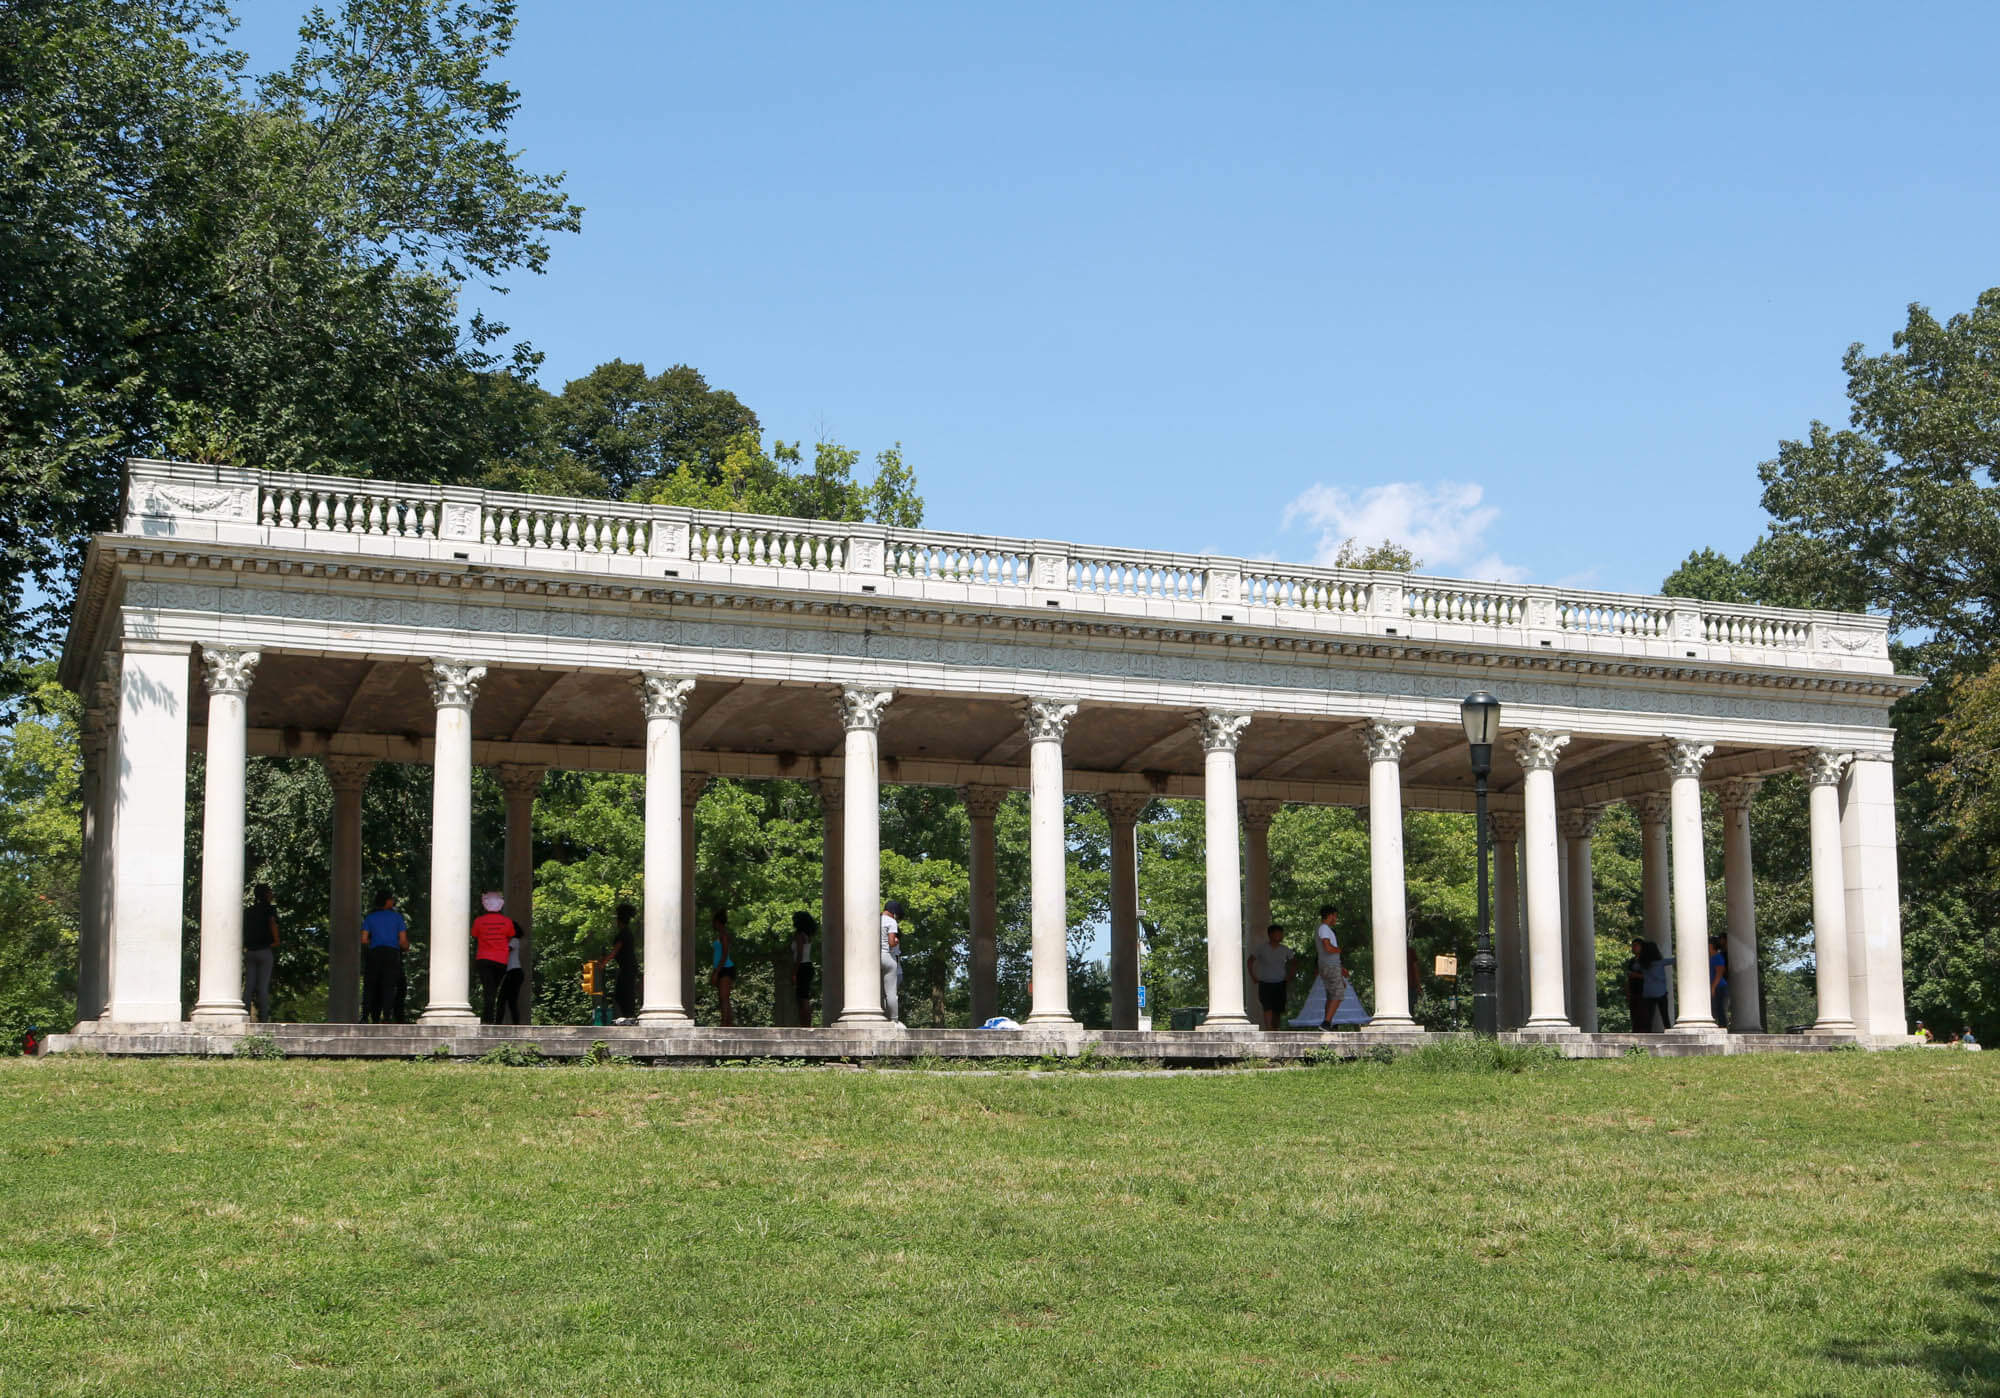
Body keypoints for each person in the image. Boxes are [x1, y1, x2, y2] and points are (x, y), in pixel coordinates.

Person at [470, 892, 518, 1025]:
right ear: (500, 904)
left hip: (483, 959)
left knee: (488, 989)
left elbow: (474, 934)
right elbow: (511, 935)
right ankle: (490, 1018)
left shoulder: (479, 921)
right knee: (493, 990)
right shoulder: (507, 922)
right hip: (500, 960)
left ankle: (487, 1018)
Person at [361, 891, 408, 1024]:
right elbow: (403, 940)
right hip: (392, 954)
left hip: (375, 953)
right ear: (387, 901)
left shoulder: (370, 918)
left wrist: (374, 942)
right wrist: (404, 947)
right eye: (392, 899)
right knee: (389, 985)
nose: (393, 902)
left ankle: (365, 1016)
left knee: (370, 985)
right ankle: (386, 1017)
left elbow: (364, 939)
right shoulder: (397, 918)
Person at [1247, 922, 1296, 1031]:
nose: (1280, 936)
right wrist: (1253, 976)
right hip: (1265, 982)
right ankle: (1269, 1028)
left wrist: (1290, 975)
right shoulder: (1261, 948)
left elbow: (1294, 962)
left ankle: (1275, 1028)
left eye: (1281, 934)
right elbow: (1250, 961)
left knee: (1278, 1009)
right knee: (1267, 1006)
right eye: (1277, 933)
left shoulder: (1285, 949)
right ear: (1270, 935)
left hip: (1280, 982)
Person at [242, 883, 280, 1022]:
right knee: (263, 987)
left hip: (250, 951)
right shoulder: (269, 909)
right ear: (265, 894)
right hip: (264, 950)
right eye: (270, 892)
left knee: (249, 986)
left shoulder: (248, 911)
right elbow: (272, 924)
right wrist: (276, 940)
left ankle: (244, 1015)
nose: (271, 895)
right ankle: (264, 1018)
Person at [1313, 905, 1348, 1032]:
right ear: (1331, 915)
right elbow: (1327, 947)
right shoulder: (1324, 928)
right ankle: (1326, 1022)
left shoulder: (1322, 928)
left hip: (1329, 965)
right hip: (1330, 965)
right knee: (1338, 993)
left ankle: (1328, 1021)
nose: (1336, 919)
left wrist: (1340, 967)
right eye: (1335, 916)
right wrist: (1338, 950)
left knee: (1332, 994)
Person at [607, 903, 638, 1023]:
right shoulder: (627, 933)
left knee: (623, 992)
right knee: (623, 991)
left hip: (627, 967)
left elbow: (615, 951)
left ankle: (628, 1016)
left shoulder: (623, 934)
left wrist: (603, 963)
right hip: (627, 967)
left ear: (619, 921)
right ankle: (627, 1015)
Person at [1638, 940, 1674, 1032]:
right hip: (1661, 992)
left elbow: (1633, 967)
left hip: (1648, 993)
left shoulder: (1642, 964)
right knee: (1664, 1014)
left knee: (1648, 1016)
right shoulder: (1660, 962)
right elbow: (1674, 960)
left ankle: (1647, 1032)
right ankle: (1668, 1030)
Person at [496, 920, 526, 1025]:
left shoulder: (514, 940)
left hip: (515, 973)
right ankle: (514, 1023)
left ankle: (499, 1024)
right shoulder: (511, 940)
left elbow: (505, 950)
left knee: (504, 999)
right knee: (509, 1000)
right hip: (512, 973)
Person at [710, 909, 737, 1026]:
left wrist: (717, 972)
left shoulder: (724, 935)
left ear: (718, 922)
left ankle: (726, 1022)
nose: (713, 925)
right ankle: (726, 1020)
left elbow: (725, 954)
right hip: (721, 968)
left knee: (724, 996)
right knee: (722, 997)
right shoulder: (720, 935)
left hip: (726, 968)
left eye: (714, 922)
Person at [791, 910, 817, 1027]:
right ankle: (807, 1024)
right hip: (808, 966)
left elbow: (799, 955)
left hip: (802, 966)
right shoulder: (808, 935)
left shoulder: (799, 935)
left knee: (802, 998)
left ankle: (805, 1025)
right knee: (804, 995)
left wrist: (794, 972)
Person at [881, 898, 905, 1022]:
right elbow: (891, 942)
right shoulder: (891, 921)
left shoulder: (875, 919)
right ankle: (894, 1020)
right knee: (890, 993)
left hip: (873, 958)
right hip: (887, 957)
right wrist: (895, 941)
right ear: (894, 912)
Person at [1623, 938, 1648, 1032]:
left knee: (1644, 1016)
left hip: (1645, 993)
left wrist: (1636, 975)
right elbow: (1628, 977)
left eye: (1635, 946)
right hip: (1634, 993)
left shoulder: (1647, 961)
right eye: (1632, 946)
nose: (1633, 948)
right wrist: (1627, 992)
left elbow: (1651, 976)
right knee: (1634, 1016)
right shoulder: (1631, 961)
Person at [1709, 935, 1729, 1028]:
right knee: (1715, 1009)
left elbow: (1719, 973)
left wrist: (1713, 987)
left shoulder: (1717, 957)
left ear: (1711, 945)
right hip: (1716, 987)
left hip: (1720, 987)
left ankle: (1723, 1029)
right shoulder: (1711, 957)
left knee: (1720, 1010)